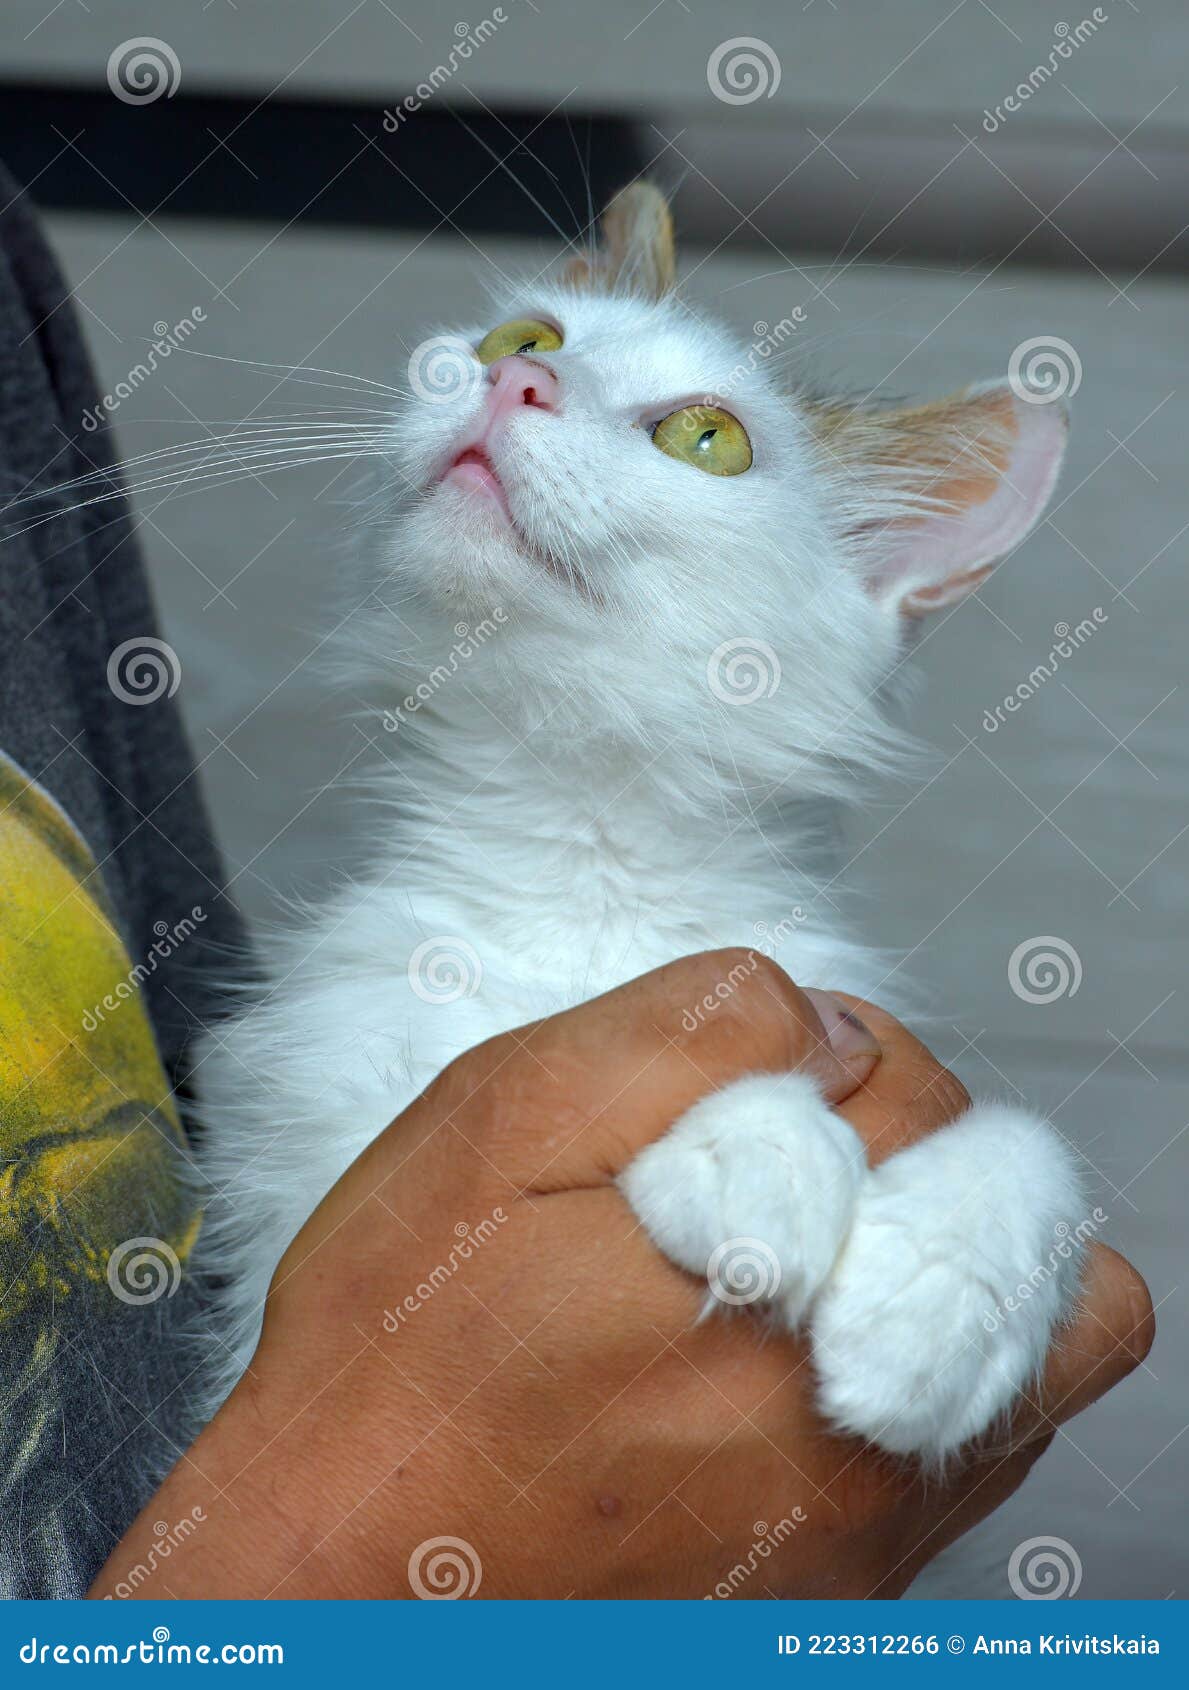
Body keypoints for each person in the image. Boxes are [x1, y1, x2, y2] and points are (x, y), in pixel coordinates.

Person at [0, 166, 1154, 1603]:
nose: (523, 389)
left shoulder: (822, 1020)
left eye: (701, 435)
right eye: (517, 345)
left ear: (866, 576)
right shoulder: (331, 1033)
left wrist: (1010, 1209)